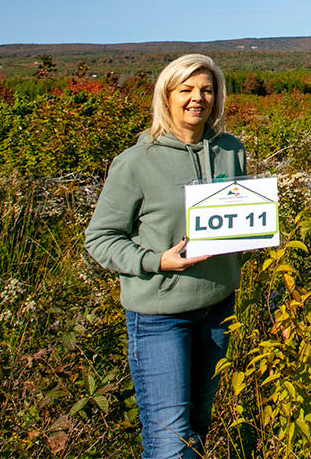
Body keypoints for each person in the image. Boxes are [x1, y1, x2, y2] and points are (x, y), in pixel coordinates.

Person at [85, 54, 246, 459]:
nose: (198, 98)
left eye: (207, 89)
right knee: (170, 440)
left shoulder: (230, 151)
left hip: (218, 308)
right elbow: (100, 239)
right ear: (166, 96)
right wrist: (157, 261)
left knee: (198, 425)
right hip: (160, 317)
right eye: (186, 90)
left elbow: (238, 220)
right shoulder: (135, 162)